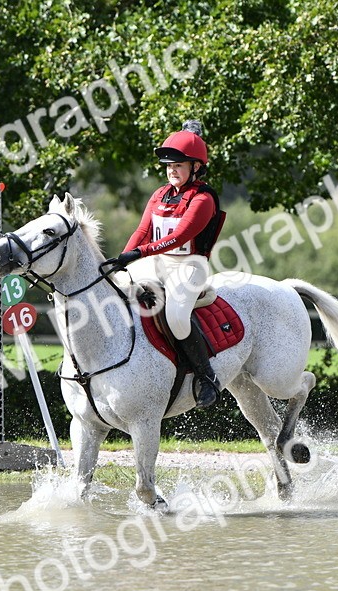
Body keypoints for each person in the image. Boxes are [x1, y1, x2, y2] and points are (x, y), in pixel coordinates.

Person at [114, 120, 223, 407]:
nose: (172, 171)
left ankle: (207, 377)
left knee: (175, 315)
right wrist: (122, 261)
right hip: (157, 262)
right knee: (120, 291)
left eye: (179, 165)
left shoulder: (203, 198)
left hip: (189, 267)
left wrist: (139, 254)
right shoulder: (159, 194)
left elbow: (178, 237)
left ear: (195, 167)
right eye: (169, 166)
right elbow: (142, 232)